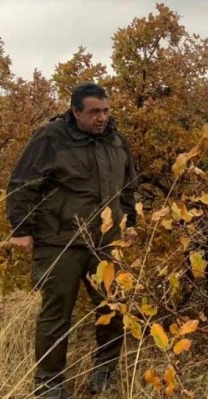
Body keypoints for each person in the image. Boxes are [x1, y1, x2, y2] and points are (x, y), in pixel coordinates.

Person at [6, 82, 138, 398]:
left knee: (112, 309)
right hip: (58, 241)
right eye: (94, 112)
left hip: (105, 242)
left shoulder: (117, 141)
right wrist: (21, 229)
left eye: (106, 110)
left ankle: (104, 376)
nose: (102, 117)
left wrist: (130, 223)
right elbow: (22, 183)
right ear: (76, 112)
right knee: (56, 313)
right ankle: (49, 385)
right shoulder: (51, 138)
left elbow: (129, 186)